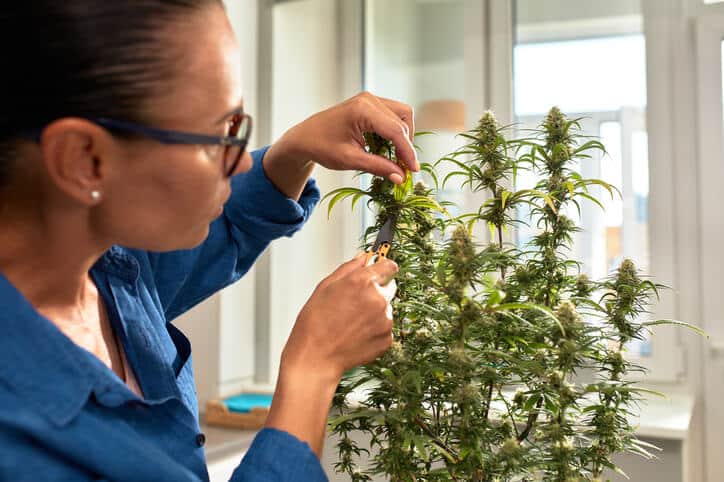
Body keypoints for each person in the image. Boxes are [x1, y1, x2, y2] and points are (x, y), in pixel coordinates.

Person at [0, 2, 418, 481]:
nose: (240, 162)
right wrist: (312, 369)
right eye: (217, 135)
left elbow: (223, 226)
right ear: (84, 159)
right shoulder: (18, 442)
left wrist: (293, 153)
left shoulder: (107, 270)